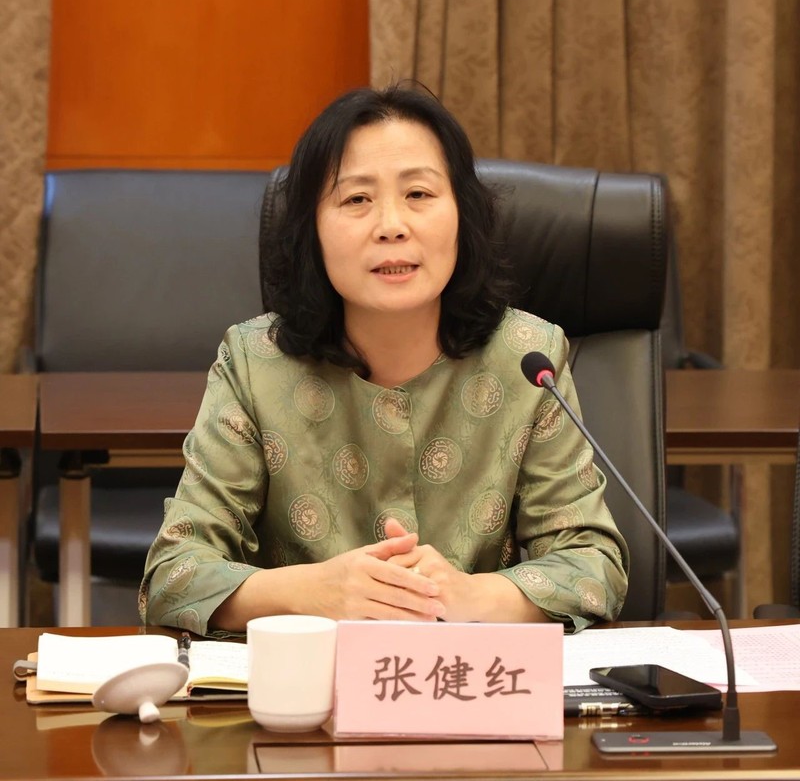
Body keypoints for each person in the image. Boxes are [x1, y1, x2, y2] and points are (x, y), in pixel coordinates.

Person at [140, 83, 629, 637]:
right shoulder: (256, 364)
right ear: (311, 231)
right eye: (356, 199)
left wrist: (467, 594)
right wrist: (314, 592)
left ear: (463, 216)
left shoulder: (528, 357)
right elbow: (172, 576)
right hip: (310, 685)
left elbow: (594, 566)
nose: (392, 225)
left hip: (471, 682)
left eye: (418, 194)